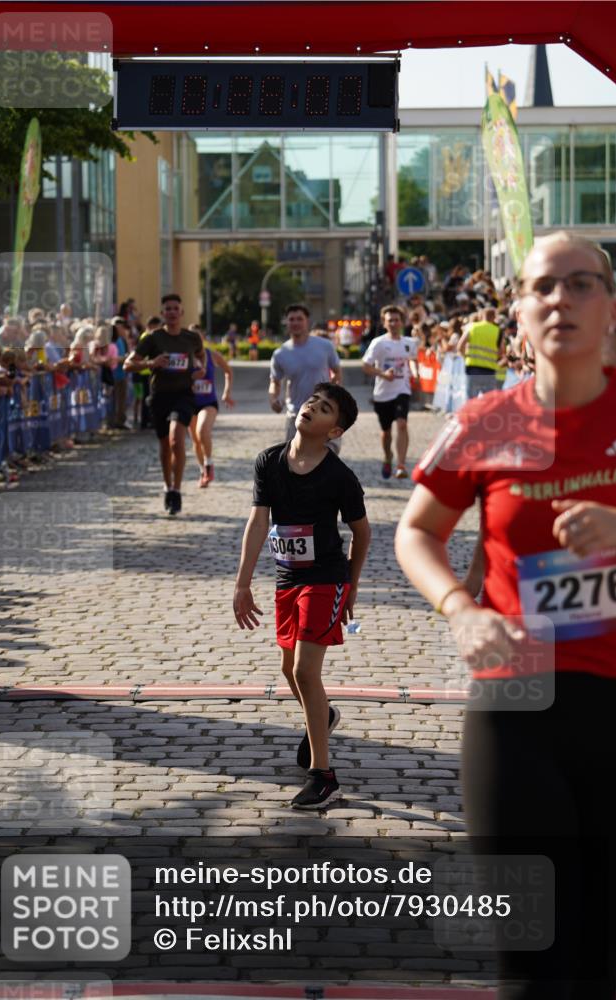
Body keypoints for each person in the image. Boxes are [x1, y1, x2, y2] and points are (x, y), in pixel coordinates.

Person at [395, 232, 616, 998]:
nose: (560, 299)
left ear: (611, 309)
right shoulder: (488, 420)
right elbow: (416, 532)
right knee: (528, 961)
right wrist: (459, 607)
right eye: (541, 287)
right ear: (517, 315)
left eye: (581, 284)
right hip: (515, 702)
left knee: (594, 957)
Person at [233, 383, 371, 809]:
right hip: (287, 578)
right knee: (290, 670)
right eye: (312, 400)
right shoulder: (269, 461)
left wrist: (351, 585)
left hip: (326, 578)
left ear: (334, 431)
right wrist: (242, 583)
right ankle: (323, 717)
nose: (312, 407)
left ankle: (323, 776)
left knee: (307, 671)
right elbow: (258, 523)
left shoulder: (339, 476)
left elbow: (362, 533)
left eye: (324, 408)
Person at [124, 294, 204, 515]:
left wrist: (201, 369)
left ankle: (177, 491)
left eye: (175, 308)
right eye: (167, 309)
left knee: (176, 439)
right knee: (164, 446)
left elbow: (201, 355)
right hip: (160, 396)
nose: (171, 312)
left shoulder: (192, 337)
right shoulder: (152, 338)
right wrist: (151, 362)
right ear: (162, 313)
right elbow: (128, 365)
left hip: (184, 395)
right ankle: (168, 486)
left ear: (182, 312)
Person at [269, 303, 342, 445]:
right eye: (291, 319)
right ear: (286, 322)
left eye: (299, 319)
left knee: (327, 460)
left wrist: (333, 395)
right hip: (297, 415)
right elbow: (275, 382)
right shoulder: (280, 353)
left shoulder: (325, 346)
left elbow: (337, 371)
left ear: (307, 321)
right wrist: (273, 399)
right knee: (295, 462)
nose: (295, 322)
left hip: (323, 413)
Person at [362, 304, 418, 480]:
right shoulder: (378, 343)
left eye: (396, 320)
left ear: (402, 322)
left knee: (402, 424)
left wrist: (415, 374)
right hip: (382, 393)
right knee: (386, 432)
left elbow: (413, 361)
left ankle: (401, 465)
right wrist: (382, 374)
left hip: (402, 389)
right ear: (384, 323)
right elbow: (366, 365)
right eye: (390, 320)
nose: (393, 323)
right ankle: (388, 457)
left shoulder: (409, 343)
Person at [189, 330, 235, 488]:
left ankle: (209, 464)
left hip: (208, 402)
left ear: (202, 339)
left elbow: (228, 371)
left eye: (198, 340)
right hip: (189, 403)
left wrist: (226, 392)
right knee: (195, 440)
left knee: (202, 431)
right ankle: (202, 471)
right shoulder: (186, 357)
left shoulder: (212, 355)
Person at [457, 306, 504, 398]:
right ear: (494, 317)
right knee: (488, 402)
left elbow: (460, 346)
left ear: (481, 316)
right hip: (489, 370)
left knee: (471, 401)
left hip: (472, 368)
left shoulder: (472, 327)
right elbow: (502, 352)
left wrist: (466, 357)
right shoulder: (498, 331)